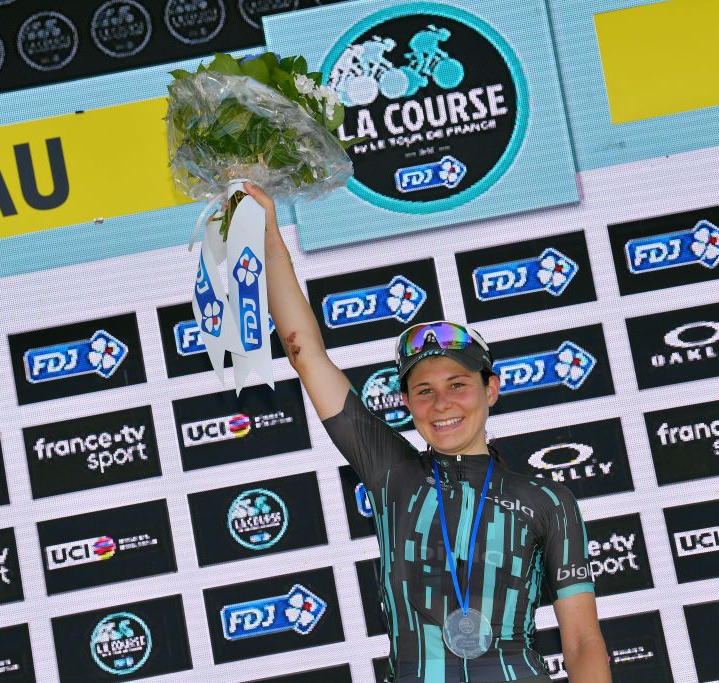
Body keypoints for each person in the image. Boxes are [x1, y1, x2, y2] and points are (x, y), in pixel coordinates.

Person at [245, 184, 611, 683]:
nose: (441, 404)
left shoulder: (548, 501)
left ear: (492, 389)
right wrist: (267, 234)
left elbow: (584, 642)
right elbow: (303, 351)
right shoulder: (391, 472)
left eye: (458, 385)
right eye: (423, 391)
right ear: (407, 403)